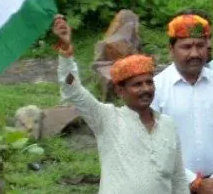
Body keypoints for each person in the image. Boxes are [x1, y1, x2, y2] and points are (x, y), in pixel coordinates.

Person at [50, 15, 186, 194]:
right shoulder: (107, 118)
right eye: (137, 84)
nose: (145, 89)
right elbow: (72, 90)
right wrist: (65, 51)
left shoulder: (168, 124)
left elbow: (178, 179)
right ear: (121, 91)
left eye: (149, 82)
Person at [153, 13, 213, 194]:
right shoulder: (156, 89)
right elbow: (154, 146)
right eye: (186, 47)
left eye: (200, 46)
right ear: (171, 49)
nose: (195, 53)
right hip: (175, 186)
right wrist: (196, 183)